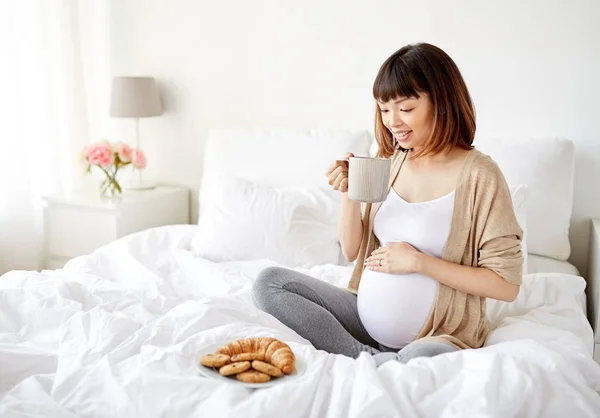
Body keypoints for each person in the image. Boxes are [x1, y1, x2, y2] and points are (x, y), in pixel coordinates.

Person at [252, 43, 523, 366]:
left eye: (405, 109)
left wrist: (419, 262)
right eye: (384, 109)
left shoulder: (480, 175)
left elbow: (506, 286)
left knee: (420, 357)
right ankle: (366, 358)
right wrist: (349, 194)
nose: (393, 121)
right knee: (269, 283)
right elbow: (352, 251)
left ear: (443, 102)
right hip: (365, 321)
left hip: (440, 333)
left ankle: (382, 364)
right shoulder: (389, 163)